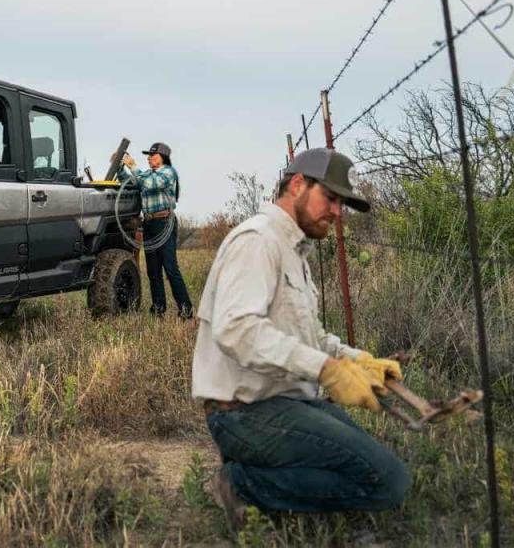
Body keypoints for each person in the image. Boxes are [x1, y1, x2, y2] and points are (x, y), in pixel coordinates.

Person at [191, 148, 411, 528]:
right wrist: (326, 370)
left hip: (283, 404)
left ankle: (258, 471)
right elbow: (238, 329)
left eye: (341, 203)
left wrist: (357, 360)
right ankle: (240, 484)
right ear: (297, 185)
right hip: (243, 414)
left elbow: (308, 335)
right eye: (330, 197)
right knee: (388, 481)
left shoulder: (294, 250)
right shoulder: (258, 240)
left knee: (373, 460)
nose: (336, 212)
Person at [118, 142, 193, 318]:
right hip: (150, 224)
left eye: (153, 155)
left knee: (170, 267)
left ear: (163, 158)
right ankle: (158, 308)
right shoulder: (146, 175)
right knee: (153, 270)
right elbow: (128, 182)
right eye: (149, 155)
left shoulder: (168, 172)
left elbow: (152, 184)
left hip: (164, 222)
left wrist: (133, 166)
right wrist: (120, 166)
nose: (149, 158)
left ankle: (186, 309)